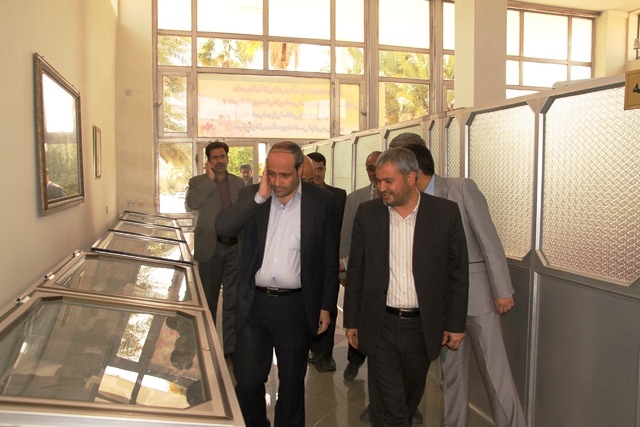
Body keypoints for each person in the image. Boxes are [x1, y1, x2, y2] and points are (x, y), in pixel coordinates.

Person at [391, 133, 526, 427]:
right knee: (451, 378)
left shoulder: (460, 188)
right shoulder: (411, 204)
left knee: (495, 374)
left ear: (414, 171)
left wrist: (502, 290)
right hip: (443, 307)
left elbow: (489, 240)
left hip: (478, 299)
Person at [215, 141, 339, 427]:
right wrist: (260, 197)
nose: (277, 182)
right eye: (271, 173)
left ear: (300, 170)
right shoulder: (252, 196)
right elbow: (223, 228)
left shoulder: (322, 202)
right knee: (247, 381)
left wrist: (326, 306)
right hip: (253, 304)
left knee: (292, 385)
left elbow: (329, 259)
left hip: (295, 307)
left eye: (284, 175)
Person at [344, 147, 469, 426]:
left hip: (423, 327)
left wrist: (455, 324)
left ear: (411, 178)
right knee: (391, 408)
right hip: (381, 324)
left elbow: (458, 272)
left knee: (409, 399)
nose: (381, 188)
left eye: (389, 181)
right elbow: (357, 271)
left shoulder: (445, 213)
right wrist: (351, 320)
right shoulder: (368, 214)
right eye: (379, 181)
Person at [186, 141, 244, 360]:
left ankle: (231, 348)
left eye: (222, 156)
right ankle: (207, 346)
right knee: (208, 301)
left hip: (234, 248)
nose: (220, 161)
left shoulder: (238, 183)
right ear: (209, 161)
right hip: (211, 247)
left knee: (232, 300)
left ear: (227, 158)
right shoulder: (197, 182)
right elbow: (192, 203)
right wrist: (209, 180)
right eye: (215, 157)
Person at [339, 150, 381, 381]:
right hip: (360, 270)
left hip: (386, 273)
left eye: (377, 167)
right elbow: (346, 235)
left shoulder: (394, 195)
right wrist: (344, 271)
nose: (373, 172)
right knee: (358, 316)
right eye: (369, 169)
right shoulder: (355, 198)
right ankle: (354, 360)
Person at [306, 151, 347, 372]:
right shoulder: (302, 194)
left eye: (320, 169)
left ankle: (327, 354)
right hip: (308, 263)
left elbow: (344, 230)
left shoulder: (338, 195)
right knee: (310, 305)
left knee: (329, 305)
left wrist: (343, 263)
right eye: (314, 169)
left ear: (325, 170)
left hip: (331, 261)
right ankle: (313, 349)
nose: (317, 173)